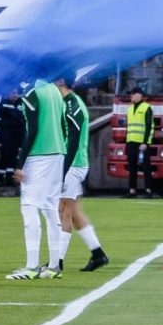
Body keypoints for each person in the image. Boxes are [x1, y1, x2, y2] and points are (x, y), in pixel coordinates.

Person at [8, 78, 68, 280]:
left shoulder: (33, 93)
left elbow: (32, 130)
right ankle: (53, 266)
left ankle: (32, 266)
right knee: (50, 208)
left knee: (29, 206)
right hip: (58, 152)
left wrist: (20, 163)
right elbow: (63, 125)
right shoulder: (55, 91)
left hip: (39, 154)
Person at [56, 78, 109, 273]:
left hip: (73, 164)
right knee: (74, 212)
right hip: (75, 163)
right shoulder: (69, 103)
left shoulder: (72, 104)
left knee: (63, 210)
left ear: (61, 82)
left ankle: (57, 261)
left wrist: (64, 168)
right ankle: (98, 253)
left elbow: (72, 139)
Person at [0, 86, 26, 193]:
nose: (14, 95)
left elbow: (23, 120)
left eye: (16, 93)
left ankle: (10, 178)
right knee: (5, 156)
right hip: (6, 136)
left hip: (17, 137)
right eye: (12, 93)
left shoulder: (21, 104)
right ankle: (0, 178)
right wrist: (2, 132)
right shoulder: (3, 103)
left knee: (13, 157)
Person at [123, 87, 151, 198]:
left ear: (139, 95)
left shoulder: (146, 108)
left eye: (133, 94)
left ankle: (148, 190)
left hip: (142, 144)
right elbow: (128, 127)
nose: (131, 96)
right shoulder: (129, 109)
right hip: (131, 142)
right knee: (132, 168)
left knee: (145, 167)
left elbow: (149, 127)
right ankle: (132, 190)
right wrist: (126, 142)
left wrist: (145, 142)